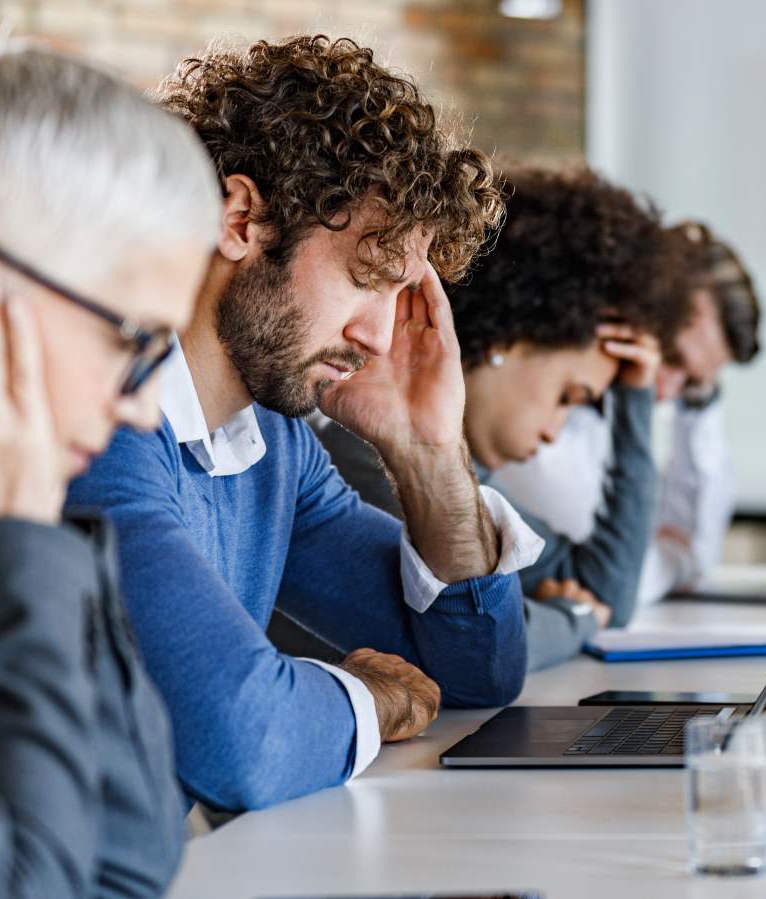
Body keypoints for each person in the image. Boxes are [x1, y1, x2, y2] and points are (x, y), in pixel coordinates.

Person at [66, 35, 541, 813]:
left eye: (400, 297)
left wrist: (428, 452)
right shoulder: (100, 422)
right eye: (364, 278)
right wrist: (368, 696)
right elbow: (241, 738)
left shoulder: (274, 445)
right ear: (241, 219)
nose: (379, 337)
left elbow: (479, 670)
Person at [0, 42, 221, 897]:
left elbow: (133, 857)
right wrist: (8, 541)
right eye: (133, 340)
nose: (143, 407)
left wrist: (22, 527)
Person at [317, 165, 685, 668]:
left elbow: (605, 592)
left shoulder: (473, 477)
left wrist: (635, 397)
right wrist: (572, 618)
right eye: (567, 396)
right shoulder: (375, 445)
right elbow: (480, 649)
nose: (554, 432)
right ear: (511, 339)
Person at [494, 222, 762, 602]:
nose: (667, 392)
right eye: (671, 358)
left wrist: (700, 403)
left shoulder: (623, 410)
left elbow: (701, 554)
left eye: (691, 383)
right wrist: (674, 558)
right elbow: (618, 581)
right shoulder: (536, 418)